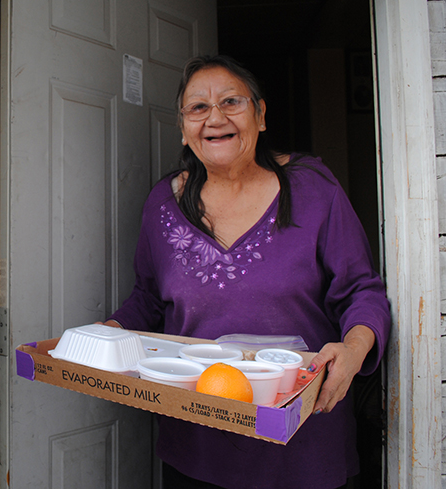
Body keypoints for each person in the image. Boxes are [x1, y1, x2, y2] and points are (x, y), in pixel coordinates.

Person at [103, 55, 390, 489]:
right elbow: (147, 297)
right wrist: (103, 339)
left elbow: (361, 291)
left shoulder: (313, 188)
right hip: (198, 440)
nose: (215, 117)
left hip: (303, 438)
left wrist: (353, 350)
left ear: (260, 114)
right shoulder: (163, 204)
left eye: (231, 101)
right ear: (183, 128)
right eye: (198, 107)